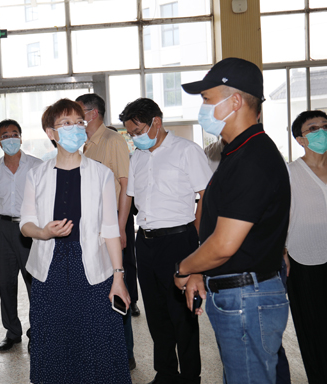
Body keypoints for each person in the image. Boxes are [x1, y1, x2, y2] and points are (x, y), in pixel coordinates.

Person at [174, 57, 291, 384]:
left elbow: (224, 244)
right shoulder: (238, 152)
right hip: (239, 293)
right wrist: (200, 270)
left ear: (235, 101)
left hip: (246, 297)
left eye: (207, 99)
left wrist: (183, 268)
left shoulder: (253, 158)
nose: (203, 108)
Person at [20, 98, 132, 384]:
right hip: (50, 270)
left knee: (97, 341)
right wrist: (44, 232)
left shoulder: (101, 174)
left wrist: (118, 277)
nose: (75, 128)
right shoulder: (36, 175)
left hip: (93, 269)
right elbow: (26, 224)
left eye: (79, 122)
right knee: (54, 341)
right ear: (51, 132)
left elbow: (110, 229)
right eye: (66, 123)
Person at [120, 98, 210, 384]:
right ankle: (166, 373)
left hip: (179, 241)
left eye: (137, 131)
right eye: (131, 134)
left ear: (156, 122)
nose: (135, 138)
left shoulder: (186, 151)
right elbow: (129, 196)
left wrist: (196, 238)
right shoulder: (137, 158)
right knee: (156, 313)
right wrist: (121, 230)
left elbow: (206, 196)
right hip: (146, 242)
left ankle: (190, 377)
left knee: (182, 314)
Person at [76, 93, 138, 371]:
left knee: (117, 284)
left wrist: (122, 226)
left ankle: (125, 353)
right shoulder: (85, 145)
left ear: (93, 113)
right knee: (98, 286)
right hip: (90, 227)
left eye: (79, 112)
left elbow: (126, 185)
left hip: (112, 224)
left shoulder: (113, 140)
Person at [0, 119, 42, 352]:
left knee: (34, 280)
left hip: (30, 228)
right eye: (5, 136)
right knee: (6, 282)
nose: (10, 139)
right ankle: (12, 331)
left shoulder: (36, 166)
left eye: (14, 134)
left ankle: (37, 330)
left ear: (21, 137)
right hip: (4, 229)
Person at [285, 110, 327, 383]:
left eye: (325, 125)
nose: (322, 131)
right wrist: (282, 250)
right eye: (313, 128)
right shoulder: (289, 173)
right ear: (300, 139)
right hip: (304, 259)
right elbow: (278, 216)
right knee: (314, 327)